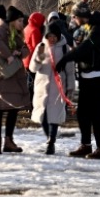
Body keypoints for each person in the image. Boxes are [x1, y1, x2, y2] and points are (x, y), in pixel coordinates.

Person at [56, 10, 100, 159]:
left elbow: (84, 49)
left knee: (96, 113)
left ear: (83, 17)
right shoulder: (87, 29)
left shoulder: (99, 31)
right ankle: (86, 144)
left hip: (97, 76)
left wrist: (65, 59)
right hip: (86, 75)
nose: (74, 20)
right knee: (83, 112)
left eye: (75, 17)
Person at [0, 7, 31, 154]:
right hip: (0, 75)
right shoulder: (1, 28)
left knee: (13, 108)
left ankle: (8, 141)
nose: (22, 23)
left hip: (12, 76)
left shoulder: (15, 33)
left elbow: (26, 49)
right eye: (19, 21)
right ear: (12, 21)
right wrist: (9, 55)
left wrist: (19, 52)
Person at [29, 21, 73, 154]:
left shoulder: (66, 49)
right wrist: (38, 58)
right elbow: (32, 68)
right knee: (43, 116)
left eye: (54, 36)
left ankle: (51, 141)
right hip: (42, 87)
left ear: (59, 35)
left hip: (58, 87)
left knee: (54, 116)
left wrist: (70, 88)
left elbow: (70, 71)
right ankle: (48, 136)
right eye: (49, 36)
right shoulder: (41, 47)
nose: (52, 39)